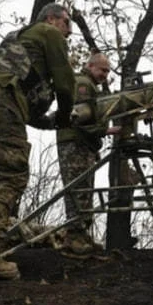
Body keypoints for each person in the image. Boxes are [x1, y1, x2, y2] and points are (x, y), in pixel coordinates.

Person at [0, 3, 76, 279]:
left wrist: (49, 120)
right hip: (2, 103)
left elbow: (23, 102)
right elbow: (66, 83)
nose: (69, 32)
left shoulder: (20, 41)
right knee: (11, 173)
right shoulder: (49, 33)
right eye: (67, 23)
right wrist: (67, 115)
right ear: (52, 19)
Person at [56, 52, 121, 254]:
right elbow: (79, 117)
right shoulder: (83, 84)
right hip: (75, 142)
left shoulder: (89, 84)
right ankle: (74, 236)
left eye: (108, 71)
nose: (105, 75)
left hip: (82, 143)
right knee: (77, 188)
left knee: (85, 189)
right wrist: (105, 130)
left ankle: (82, 235)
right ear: (91, 66)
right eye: (103, 70)